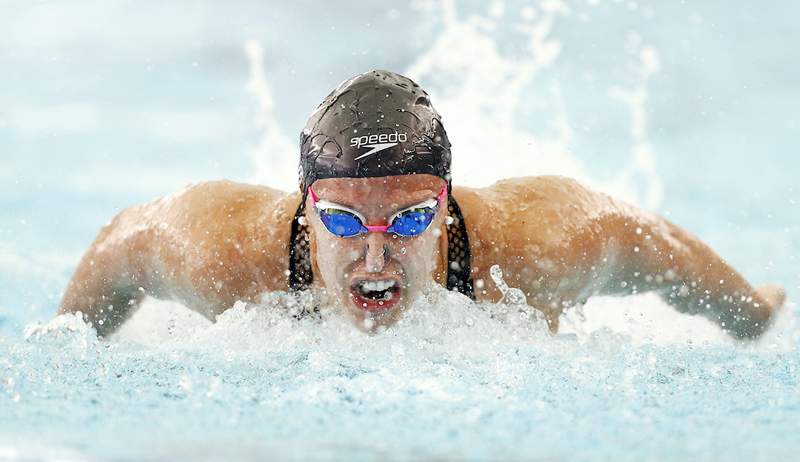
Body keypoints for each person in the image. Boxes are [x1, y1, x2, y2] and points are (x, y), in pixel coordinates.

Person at [59, 70, 785, 339]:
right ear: (305, 208)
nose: (375, 256)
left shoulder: (538, 247)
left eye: (408, 220)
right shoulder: (220, 254)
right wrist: (68, 341)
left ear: (445, 205)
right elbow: (121, 243)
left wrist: (749, 313)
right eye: (343, 220)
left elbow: (647, 239)